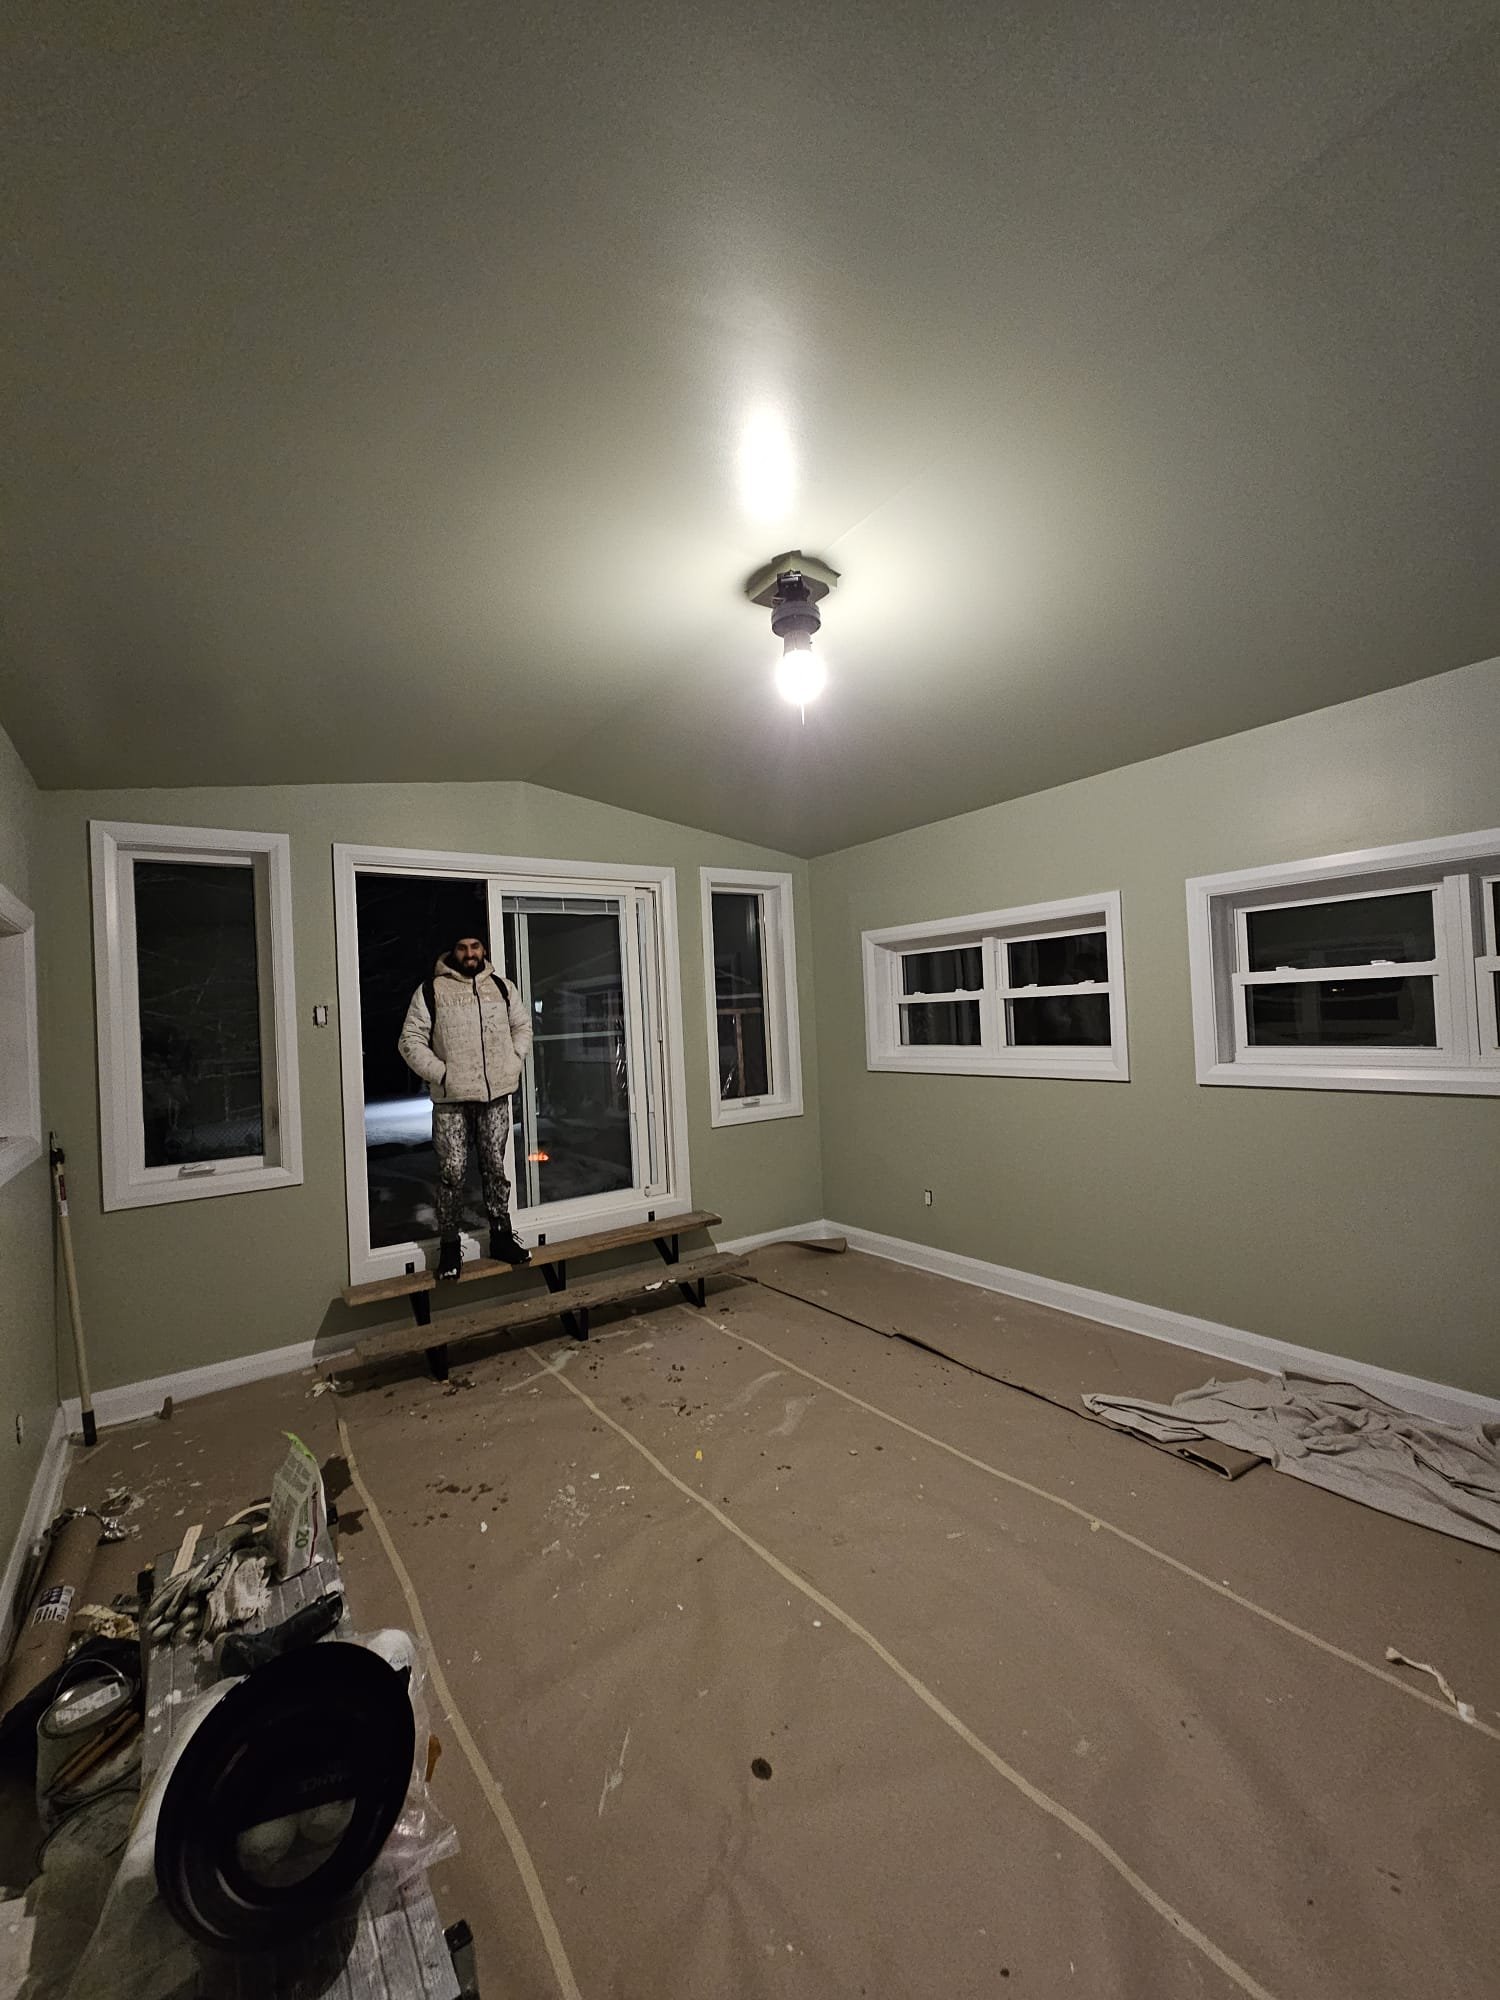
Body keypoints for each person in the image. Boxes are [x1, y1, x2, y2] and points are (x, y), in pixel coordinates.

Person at [397, 933, 533, 1280]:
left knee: (495, 1169)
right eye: (462, 947)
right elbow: (410, 1040)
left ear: (483, 950)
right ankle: (448, 1246)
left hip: (496, 1096)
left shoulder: (502, 988)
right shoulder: (431, 991)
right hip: (452, 1101)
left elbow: (522, 1026)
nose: (469, 953)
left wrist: (513, 1060)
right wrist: (442, 1074)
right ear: (452, 951)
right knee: (452, 1173)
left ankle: (502, 1237)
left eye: (475, 946)